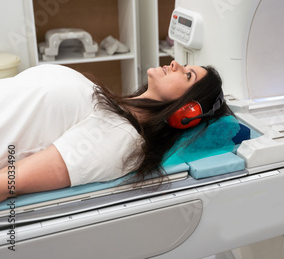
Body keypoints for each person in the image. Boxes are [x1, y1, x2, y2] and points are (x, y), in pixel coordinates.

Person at [0, 61, 231, 202]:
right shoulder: (109, 103)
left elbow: (8, 183)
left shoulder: (120, 138)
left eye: (187, 74)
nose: (175, 64)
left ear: (187, 112)